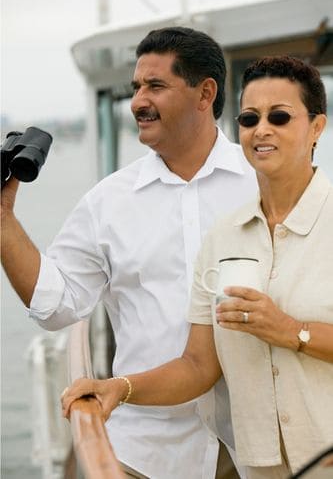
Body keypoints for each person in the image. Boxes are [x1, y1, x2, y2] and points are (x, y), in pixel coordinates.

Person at [1, 27, 258, 479]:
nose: (138, 100)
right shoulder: (108, 202)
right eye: (136, 87)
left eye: (155, 86)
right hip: (147, 451)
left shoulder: (260, 183)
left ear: (205, 94)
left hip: (254, 446)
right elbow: (55, 305)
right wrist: (3, 221)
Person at [62, 55, 333, 479]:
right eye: (248, 118)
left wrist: (289, 330)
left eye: (279, 116)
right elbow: (197, 366)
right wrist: (119, 388)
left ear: (317, 126)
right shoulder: (223, 238)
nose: (262, 129)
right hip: (258, 466)